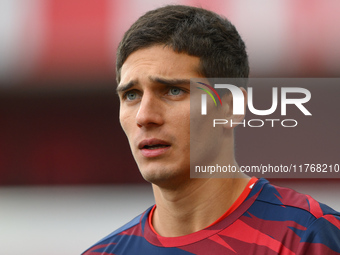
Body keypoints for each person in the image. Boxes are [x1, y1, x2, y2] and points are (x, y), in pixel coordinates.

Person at [82, 5, 340, 255]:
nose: (145, 116)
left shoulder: (310, 237)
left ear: (229, 108)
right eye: (131, 95)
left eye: (173, 91)